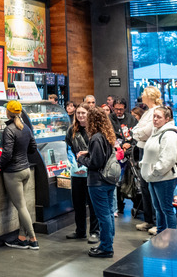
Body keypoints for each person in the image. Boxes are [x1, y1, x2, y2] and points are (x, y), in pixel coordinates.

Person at [77, 107, 118, 258]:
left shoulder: (95, 138)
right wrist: (88, 152)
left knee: (103, 216)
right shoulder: (107, 135)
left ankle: (106, 247)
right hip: (109, 180)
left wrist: (81, 158)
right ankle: (108, 242)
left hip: (98, 182)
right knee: (108, 213)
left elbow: (95, 162)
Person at [0, 101, 39, 250]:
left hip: (13, 172)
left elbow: (7, 153)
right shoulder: (26, 128)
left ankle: (33, 240)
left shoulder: (9, 129)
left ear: (7, 113)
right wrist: (22, 155)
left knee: (21, 207)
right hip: (26, 170)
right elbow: (33, 148)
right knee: (24, 206)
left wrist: (0, 165)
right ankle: (22, 238)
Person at [141, 106, 177, 235]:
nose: (155, 119)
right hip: (154, 178)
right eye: (154, 116)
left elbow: (167, 161)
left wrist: (154, 173)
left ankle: (171, 239)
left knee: (166, 209)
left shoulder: (169, 135)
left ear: (167, 119)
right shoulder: (156, 132)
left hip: (164, 178)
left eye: (159, 117)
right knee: (158, 209)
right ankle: (160, 235)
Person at [64, 103, 100, 244]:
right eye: (78, 113)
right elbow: (69, 148)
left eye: (83, 113)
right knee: (78, 204)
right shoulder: (71, 130)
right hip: (76, 172)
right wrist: (74, 164)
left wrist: (86, 164)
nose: (80, 115)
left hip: (91, 173)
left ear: (89, 114)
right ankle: (80, 231)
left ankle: (95, 232)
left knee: (93, 204)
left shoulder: (95, 130)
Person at [130, 86, 162, 232]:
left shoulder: (156, 111)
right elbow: (137, 130)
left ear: (149, 95)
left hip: (151, 150)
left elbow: (145, 132)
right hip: (143, 148)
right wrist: (137, 133)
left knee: (151, 186)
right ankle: (149, 220)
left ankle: (157, 222)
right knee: (144, 186)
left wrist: (136, 133)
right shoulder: (148, 112)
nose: (141, 96)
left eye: (143, 94)